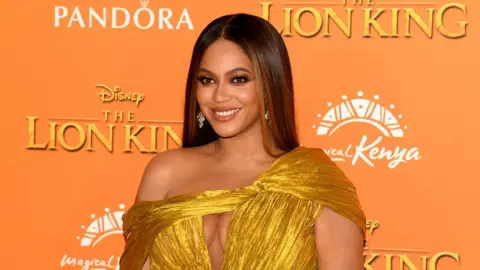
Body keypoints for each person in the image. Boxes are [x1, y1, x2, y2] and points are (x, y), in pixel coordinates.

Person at [120, 13, 366, 270]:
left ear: (271, 84)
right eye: (207, 80)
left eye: (238, 79)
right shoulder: (164, 172)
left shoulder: (314, 183)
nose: (219, 96)